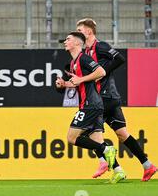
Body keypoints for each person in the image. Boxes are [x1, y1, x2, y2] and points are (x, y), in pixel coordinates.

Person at [76, 18, 156, 182]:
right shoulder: (86, 53)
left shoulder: (101, 46)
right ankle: (148, 165)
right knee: (122, 134)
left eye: (80, 30)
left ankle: (108, 164)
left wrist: (102, 72)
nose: (78, 33)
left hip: (103, 97)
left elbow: (119, 58)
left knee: (88, 131)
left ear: (89, 31)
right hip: (111, 97)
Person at [56, 31, 117, 173]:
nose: (65, 42)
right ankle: (115, 169)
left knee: (72, 138)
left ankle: (107, 149)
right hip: (92, 104)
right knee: (95, 139)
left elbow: (101, 72)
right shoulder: (73, 63)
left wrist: (81, 79)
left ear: (77, 43)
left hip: (90, 104)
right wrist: (64, 84)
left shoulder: (83, 58)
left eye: (68, 39)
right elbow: (78, 83)